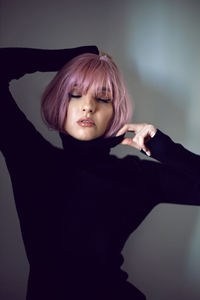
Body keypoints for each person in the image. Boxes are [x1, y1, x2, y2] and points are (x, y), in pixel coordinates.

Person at [0, 46, 200, 300]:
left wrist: (166, 150)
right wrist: (83, 56)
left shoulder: (136, 176)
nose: (88, 106)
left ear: (115, 113)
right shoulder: (32, 159)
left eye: (103, 99)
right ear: (61, 102)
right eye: (75, 94)